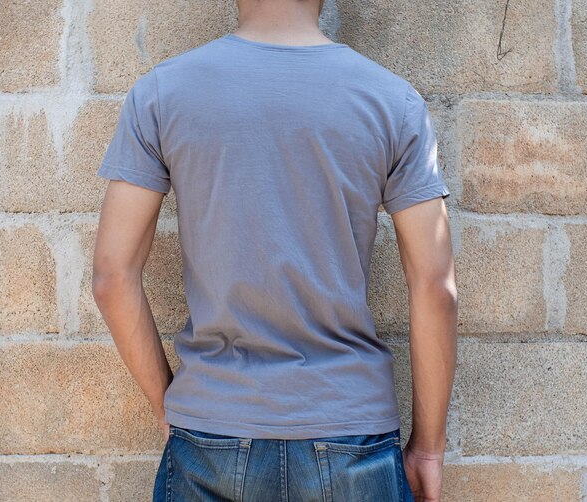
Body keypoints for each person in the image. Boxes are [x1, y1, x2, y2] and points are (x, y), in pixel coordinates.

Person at [92, 0, 458, 500]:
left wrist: (170, 403)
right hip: (350, 430)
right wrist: (429, 449)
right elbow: (436, 287)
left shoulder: (161, 94)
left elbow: (112, 276)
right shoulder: (393, 102)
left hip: (210, 430)